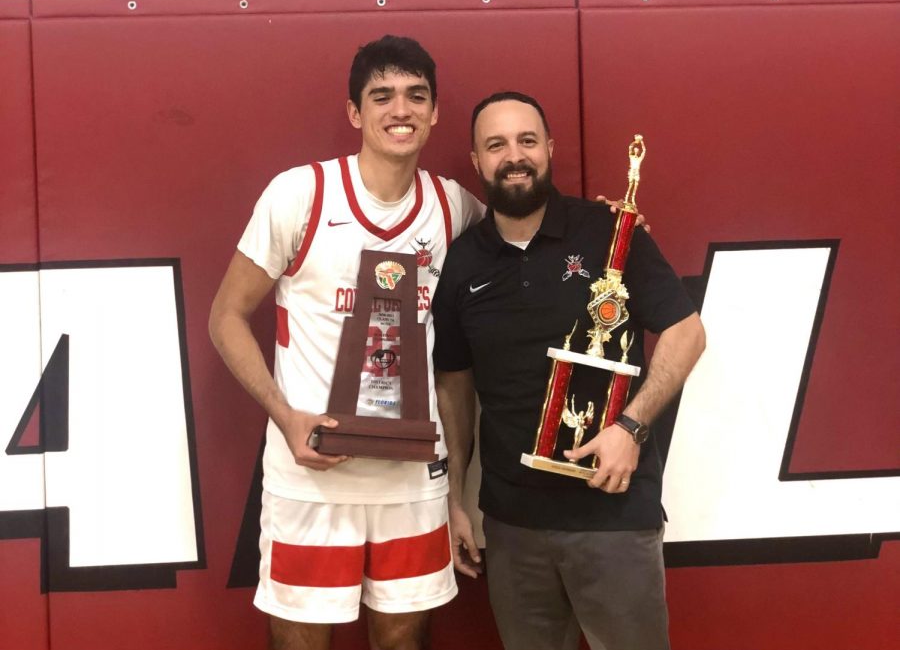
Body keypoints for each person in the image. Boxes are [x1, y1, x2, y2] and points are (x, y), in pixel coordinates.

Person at [208, 36, 483, 650]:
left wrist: (608, 230)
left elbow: (526, 247)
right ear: (355, 113)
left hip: (412, 480)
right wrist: (286, 417)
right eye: (381, 96)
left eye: (416, 96)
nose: (400, 110)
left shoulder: (453, 208)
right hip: (311, 475)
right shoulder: (299, 195)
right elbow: (226, 317)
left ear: (436, 112)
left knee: (404, 643)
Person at [432, 91, 706, 650]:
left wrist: (631, 428)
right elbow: (455, 385)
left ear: (550, 148)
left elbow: (687, 333)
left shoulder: (610, 231)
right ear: (477, 160)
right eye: (497, 144)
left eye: (527, 140)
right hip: (512, 526)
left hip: (614, 515)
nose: (514, 155)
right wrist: (455, 500)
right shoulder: (462, 263)